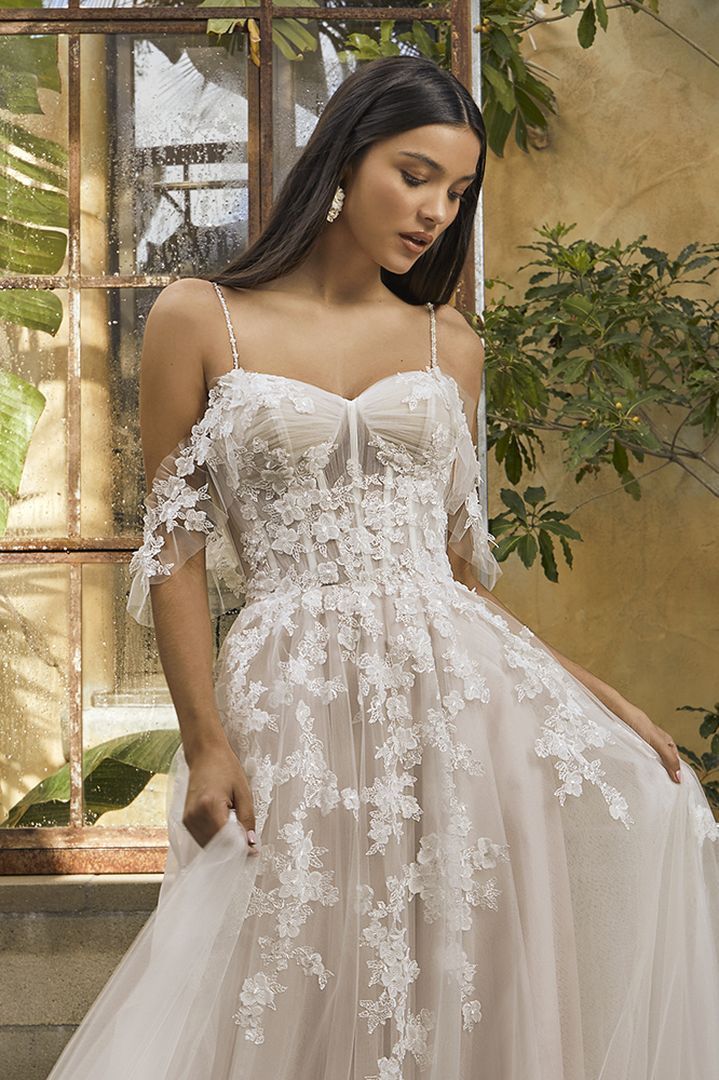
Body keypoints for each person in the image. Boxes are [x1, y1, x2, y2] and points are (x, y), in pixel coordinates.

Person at [47, 54, 719, 1080]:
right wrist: (206, 740)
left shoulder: (448, 342)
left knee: (455, 968)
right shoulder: (199, 315)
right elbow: (174, 550)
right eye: (414, 176)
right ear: (345, 157)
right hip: (291, 694)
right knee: (287, 966)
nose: (434, 212)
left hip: (457, 699)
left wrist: (594, 698)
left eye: (455, 194)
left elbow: (453, 580)